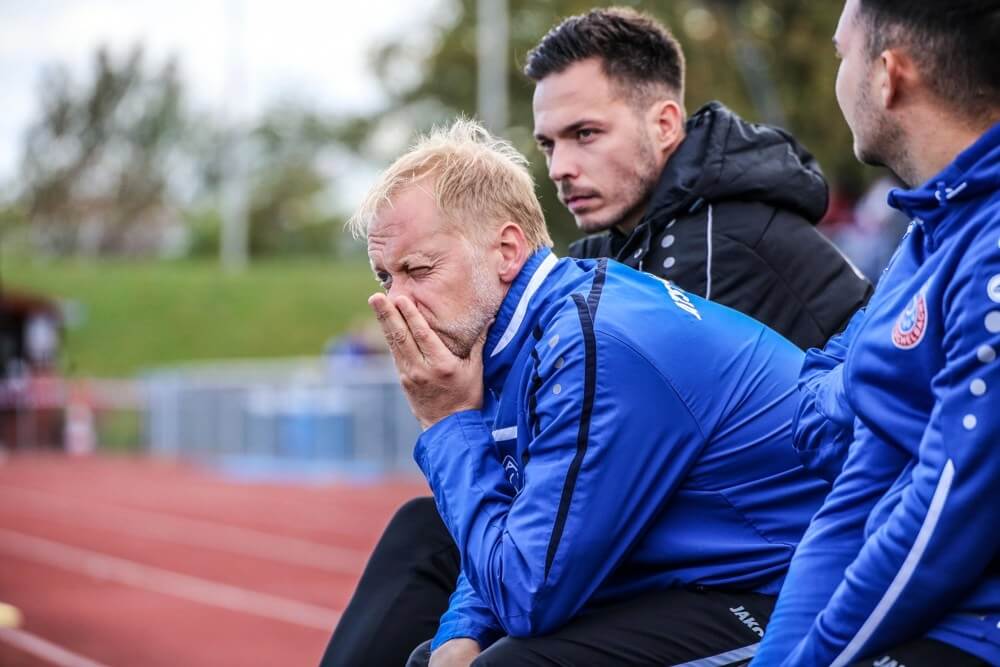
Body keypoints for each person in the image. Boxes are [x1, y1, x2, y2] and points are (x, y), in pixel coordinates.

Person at [329, 118, 829, 666]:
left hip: (783, 590)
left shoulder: (590, 344)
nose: (394, 303)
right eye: (385, 278)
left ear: (506, 250)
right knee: (431, 603)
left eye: (418, 269)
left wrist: (448, 420)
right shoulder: (512, 334)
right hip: (690, 576)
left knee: (511, 664)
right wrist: (460, 631)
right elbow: (521, 517)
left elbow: (529, 594)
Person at [751, 1, 1000, 665]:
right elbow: (858, 421)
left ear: (887, 75)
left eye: (840, 55)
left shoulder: (987, 240)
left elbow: (951, 506)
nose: (837, 77)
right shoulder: (929, 228)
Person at [528, 8, 872, 352]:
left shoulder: (721, 244)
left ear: (664, 125)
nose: (559, 168)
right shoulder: (630, 246)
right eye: (548, 144)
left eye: (585, 133)